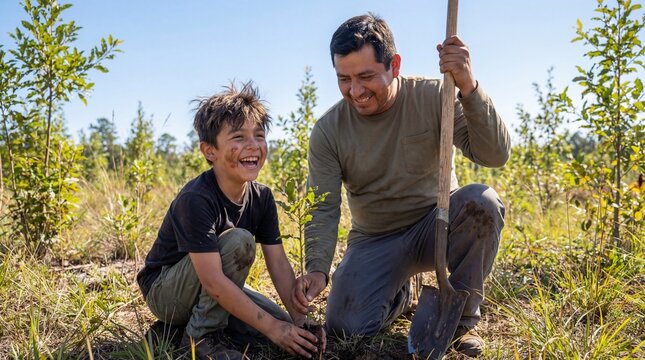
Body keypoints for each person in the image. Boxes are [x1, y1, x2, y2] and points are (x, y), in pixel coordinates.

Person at [291, 13, 511, 357]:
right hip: (375, 240)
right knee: (344, 326)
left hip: (437, 227)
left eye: (366, 76)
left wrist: (468, 85)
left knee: (482, 201)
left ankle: (459, 323)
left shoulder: (437, 95)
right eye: (344, 79)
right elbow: (322, 206)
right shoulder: (328, 131)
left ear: (394, 64)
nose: (356, 90)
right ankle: (401, 294)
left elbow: (494, 154)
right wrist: (317, 269)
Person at [136, 82, 322, 360]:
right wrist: (273, 328)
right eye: (238, 137)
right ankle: (199, 338)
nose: (253, 146)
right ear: (210, 151)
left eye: (259, 135)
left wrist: (298, 323)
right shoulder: (196, 198)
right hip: (167, 291)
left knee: (280, 326)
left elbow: (279, 264)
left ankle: (171, 333)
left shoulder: (262, 197)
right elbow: (212, 281)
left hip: (212, 285)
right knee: (240, 241)